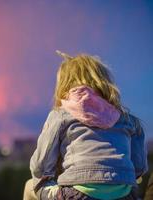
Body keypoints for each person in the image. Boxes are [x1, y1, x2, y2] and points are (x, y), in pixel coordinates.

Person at [23, 51, 148, 200]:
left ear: (64, 84)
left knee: (30, 186)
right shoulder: (129, 120)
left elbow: (41, 165)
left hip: (78, 195)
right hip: (124, 195)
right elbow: (139, 168)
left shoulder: (60, 115)